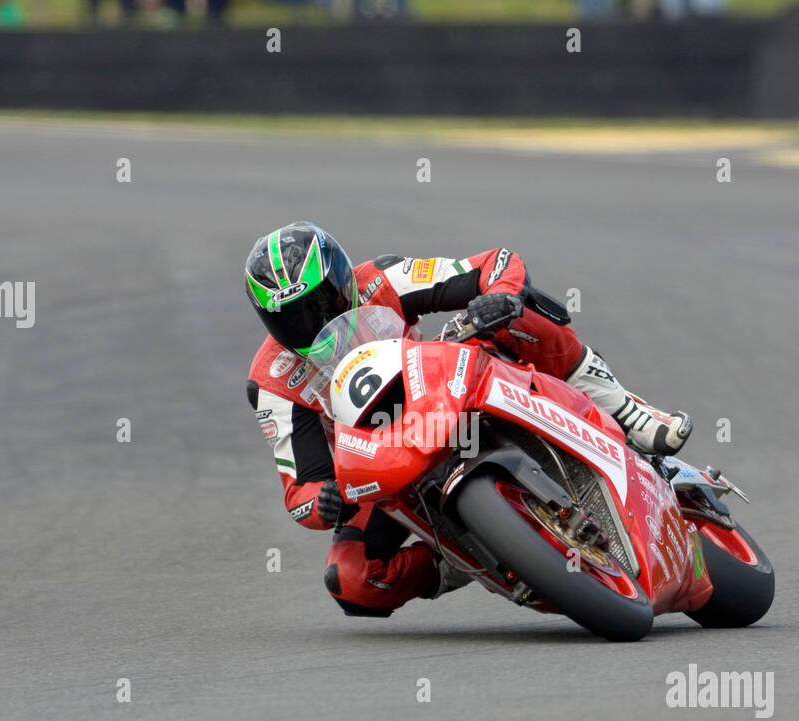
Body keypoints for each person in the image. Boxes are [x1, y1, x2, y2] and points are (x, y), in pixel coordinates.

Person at [244, 221, 691, 618]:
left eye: (321, 302)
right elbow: (299, 489)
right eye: (290, 318)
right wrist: (321, 501)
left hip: (439, 388)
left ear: (342, 278)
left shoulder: (382, 279)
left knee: (519, 312)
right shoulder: (271, 379)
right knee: (352, 579)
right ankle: (463, 559)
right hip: (382, 459)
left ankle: (626, 410)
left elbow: (496, 263)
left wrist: (498, 294)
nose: (313, 321)